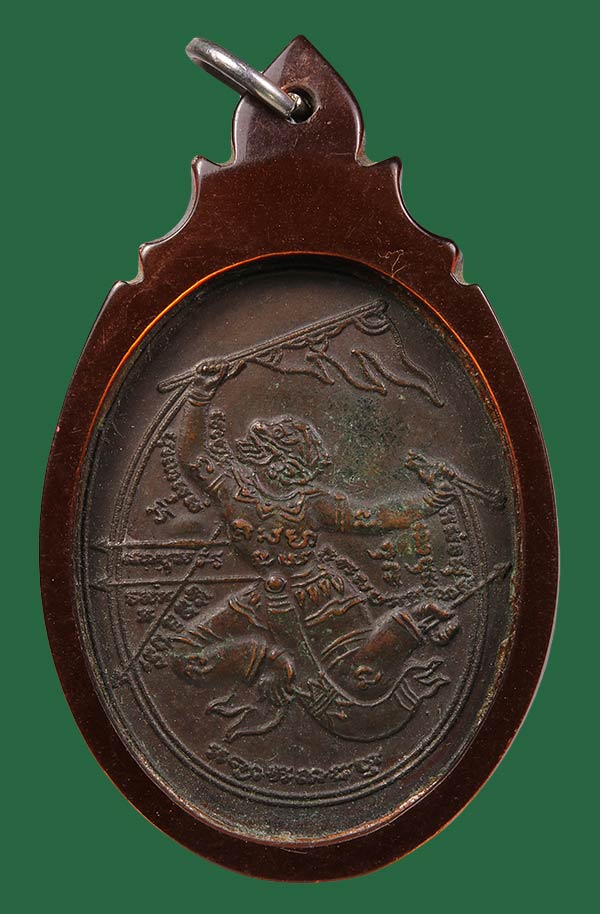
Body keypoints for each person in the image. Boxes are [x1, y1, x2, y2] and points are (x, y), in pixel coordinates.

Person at [170, 361, 460, 741]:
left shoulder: (313, 503)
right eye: (288, 461)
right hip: (263, 601)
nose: (297, 471)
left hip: (321, 598)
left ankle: (412, 624)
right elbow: (192, 457)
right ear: (269, 458)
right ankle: (269, 658)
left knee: (357, 678)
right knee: (184, 655)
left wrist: (430, 501)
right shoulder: (232, 491)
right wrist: (199, 393)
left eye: (299, 465)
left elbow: (372, 517)